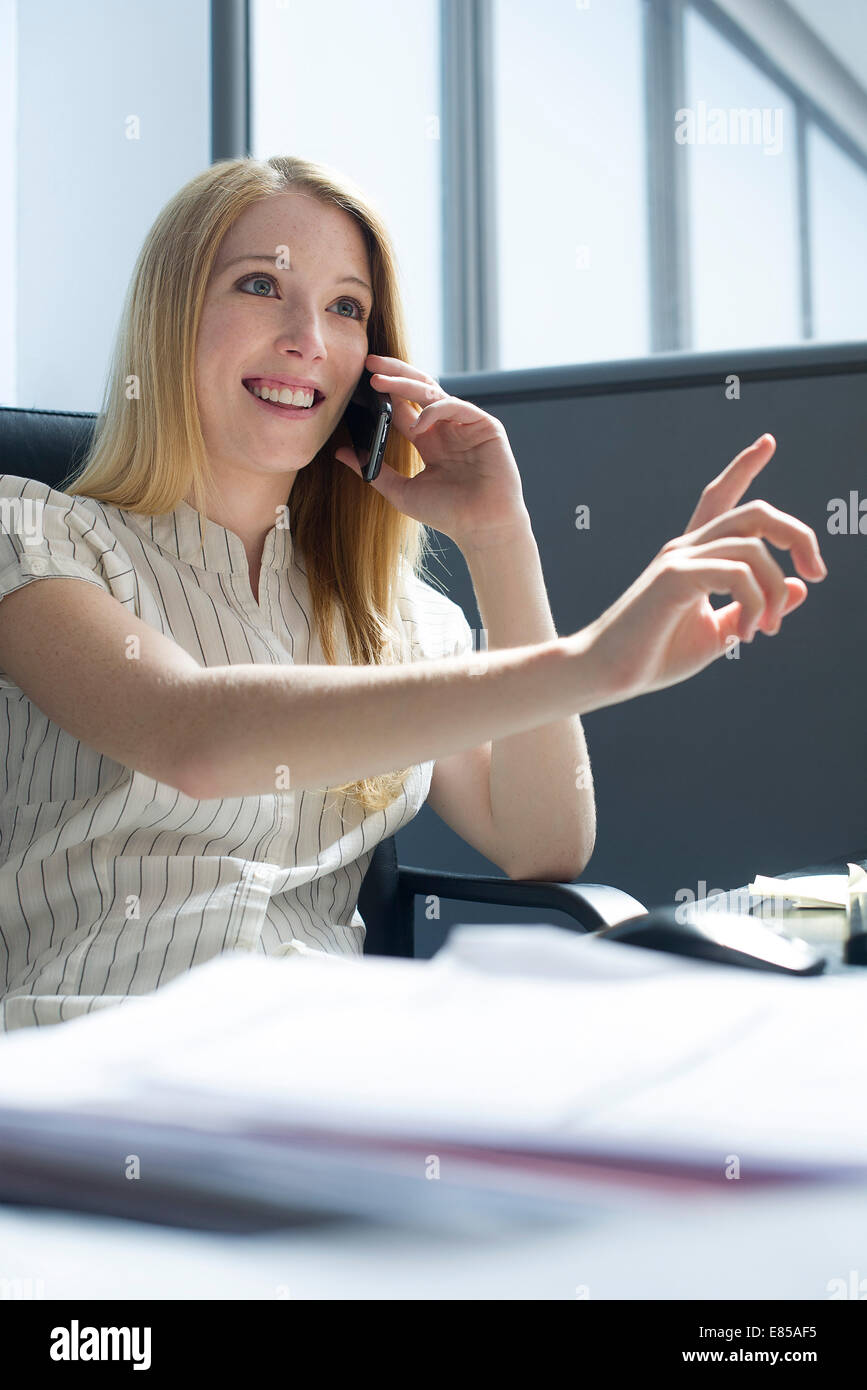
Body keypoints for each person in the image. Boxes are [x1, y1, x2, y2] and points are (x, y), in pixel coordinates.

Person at [0, 156, 826, 1032]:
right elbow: (193, 737)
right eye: (258, 284)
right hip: (87, 1060)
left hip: (326, 1061)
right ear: (169, 316)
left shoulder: (386, 614)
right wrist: (592, 662)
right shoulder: (36, 536)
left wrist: (497, 536)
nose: (308, 338)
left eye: (345, 307)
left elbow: (542, 843)